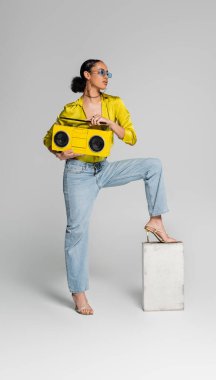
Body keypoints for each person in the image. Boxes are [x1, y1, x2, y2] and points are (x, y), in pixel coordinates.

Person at [43, 59, 180, 316]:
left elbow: (131, 136)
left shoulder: (113, 103)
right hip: (78, 173)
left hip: (104, 168)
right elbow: (49, 138)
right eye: (101, 72)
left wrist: (110, 123)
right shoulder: (71, 109)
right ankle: (78, 292)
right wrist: (60, 153)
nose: (106, 77)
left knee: (153, 165)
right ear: (87, 75)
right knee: (77, 230)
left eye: (108, 73)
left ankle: (156, 221)